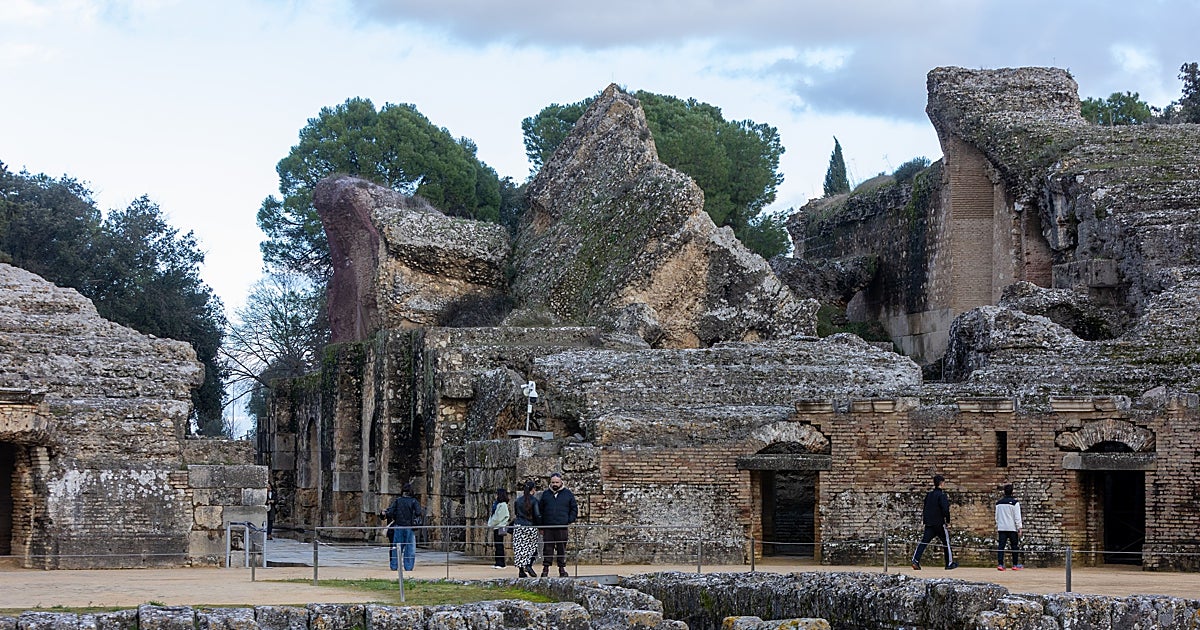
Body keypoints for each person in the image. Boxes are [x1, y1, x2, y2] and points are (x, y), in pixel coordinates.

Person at [911, 474, 957, 570]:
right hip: (939, 523)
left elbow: (925, 508)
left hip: (929, 523)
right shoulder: (942, 495)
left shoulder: (929, 495)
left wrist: (926, 520)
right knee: (946, 542)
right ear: (941, 483)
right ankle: (949, 563)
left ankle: (915, 559)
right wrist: (947, 520)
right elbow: (945, 509)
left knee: (924, 542)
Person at [538, 472, 577, 577]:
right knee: (548, 548)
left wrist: (568, 520)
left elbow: (574, 508)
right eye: (553, 482)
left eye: (556, 482)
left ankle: (562, 569)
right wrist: (541, 525)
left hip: (561, 526)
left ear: (561, 482)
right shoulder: (546, 494)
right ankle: (545, 569)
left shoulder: (568, 494)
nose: (555, 484)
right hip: (548, 526)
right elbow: (540, 510)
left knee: (561, 548)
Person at [381, 482, 423, 572]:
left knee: (396, 547)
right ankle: (408, 567)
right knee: (410, 549)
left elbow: (391, 512)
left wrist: (385, 513)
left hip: (398, 527)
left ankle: (394, 566)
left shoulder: (398, 500)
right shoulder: (413, 501)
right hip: (409, 527)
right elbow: (419, 512)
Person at [512, 480, 542, 577]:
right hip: (530, 526)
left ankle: (521, 570)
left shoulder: (518, 501)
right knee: (532, 548)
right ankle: (528, 565)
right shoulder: (534, 501)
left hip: (519, 526)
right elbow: (537, 515)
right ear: (533, 489)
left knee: (520, 548)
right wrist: (540, 526)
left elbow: (516, 513)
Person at [995, 483, 1024, 570]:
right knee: (1014, 546)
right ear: (1012, 492)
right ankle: (1015, 564)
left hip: (1002, 527)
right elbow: (1017, 517)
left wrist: (998, 524)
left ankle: (1000, 564)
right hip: (1012, 528)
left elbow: (996, 516)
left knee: (1001, 546)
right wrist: (1019, 527)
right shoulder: (1015, 503)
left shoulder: (998, 503)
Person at [485, 488, 511, 569]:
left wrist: (491, 523)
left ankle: (501, 563)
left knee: (499, 545)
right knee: (497, 544)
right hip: (497, 527)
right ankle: (498, 562)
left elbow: (498, 517)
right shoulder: (499, 504)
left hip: (500, 526)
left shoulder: (502, 505)